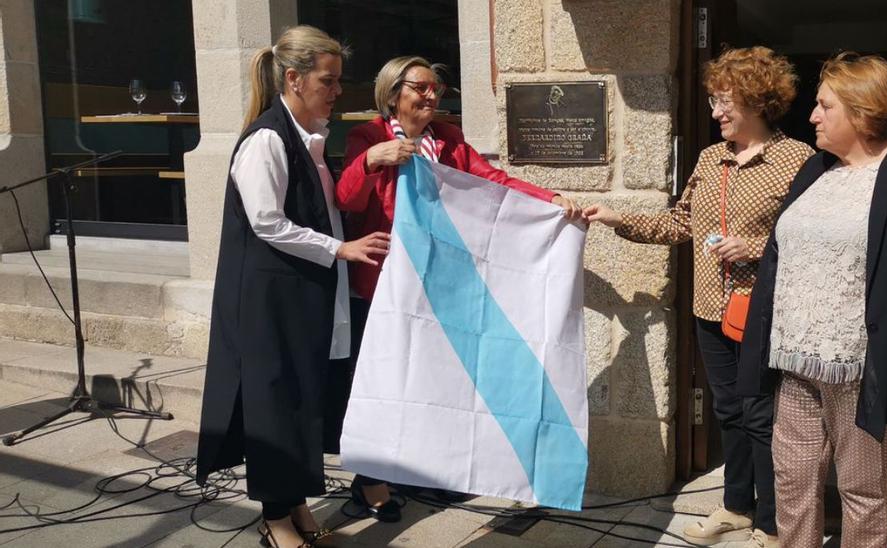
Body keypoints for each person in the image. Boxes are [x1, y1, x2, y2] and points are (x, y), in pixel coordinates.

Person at [737, 53, 887, 547]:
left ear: (862, 110)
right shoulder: (814, 171)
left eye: (824, 106)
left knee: (863, 490)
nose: (812, 116)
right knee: (792, 481)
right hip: (794, 359)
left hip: (860, 366)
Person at [333, 55, 581, 520]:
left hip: (443, 282)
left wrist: (549, 200)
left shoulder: (447, 138)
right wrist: (371, 161)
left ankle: (432, 470)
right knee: (388, 379)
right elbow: (346, 200)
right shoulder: (366, 136)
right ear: (393, 94)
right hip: (386, 281)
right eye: (421, 88)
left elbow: (491, 182)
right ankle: (370, 483)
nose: (431, 97)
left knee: (437, 376)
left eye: (436, 90)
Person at [584, 46, 811, 548]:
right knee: (728, 411)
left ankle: (774, 525)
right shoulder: (711, 159)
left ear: (756, 98)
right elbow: (679, 222)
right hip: (710, 308)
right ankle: (735, 507)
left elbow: (810, 237)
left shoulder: (798, 160)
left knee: (763, 417)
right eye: (712, 101)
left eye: (723, 101)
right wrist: (616, 217)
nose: (715, 113)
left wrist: (751, 246)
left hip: (763, 312)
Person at [195, 25, 389, 548]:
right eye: (328, 81)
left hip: (298, 297)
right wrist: (339, 250)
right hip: (269, 302)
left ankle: (298, 508)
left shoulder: (307, 141)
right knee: (275, 407)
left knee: (300, 403)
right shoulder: (266, 139)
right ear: (295, 79)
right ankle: (276, 520)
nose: (336, 91)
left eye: (338, 81)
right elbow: (266, 221)